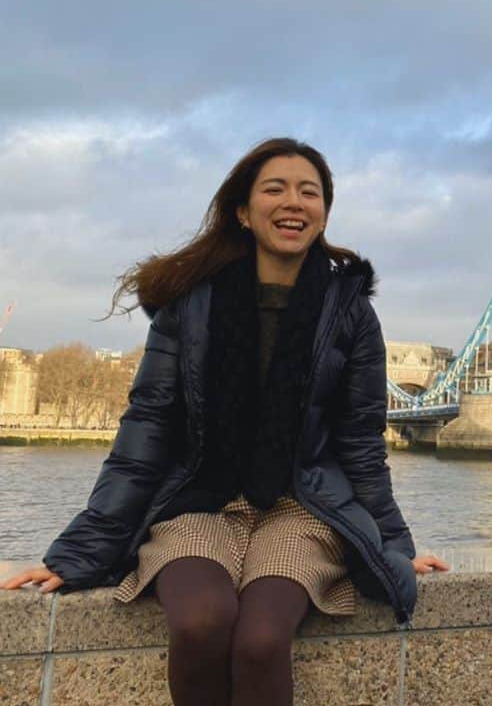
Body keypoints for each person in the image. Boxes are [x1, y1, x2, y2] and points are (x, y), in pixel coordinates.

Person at [2, 138, 447, 705]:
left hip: (301, 508)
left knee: (262, 640)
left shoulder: (352, 314)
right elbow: (147, 433)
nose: (295, 201)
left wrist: (395, 546)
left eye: (310, 192)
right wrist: (78, 554)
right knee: (200, 622)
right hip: (198, 501)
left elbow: (360, 445)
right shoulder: (188, 305)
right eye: (275, 189)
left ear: (324, 213)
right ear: (243, 210)